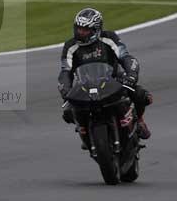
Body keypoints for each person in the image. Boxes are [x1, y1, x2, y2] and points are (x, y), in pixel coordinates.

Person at [57, 8, 152, 146]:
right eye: (78, 29)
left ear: (96, 29)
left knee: (141, 95)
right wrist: (65, 90)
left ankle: (140, 121)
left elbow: (125, 57)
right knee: (67, 112)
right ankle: (86, 132)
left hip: (113, 80)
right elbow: (66, 70)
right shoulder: (70, 46)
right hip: (85, 85)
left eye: (85, 30)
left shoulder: (109, 37)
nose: (80, 32)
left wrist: (131, 75)